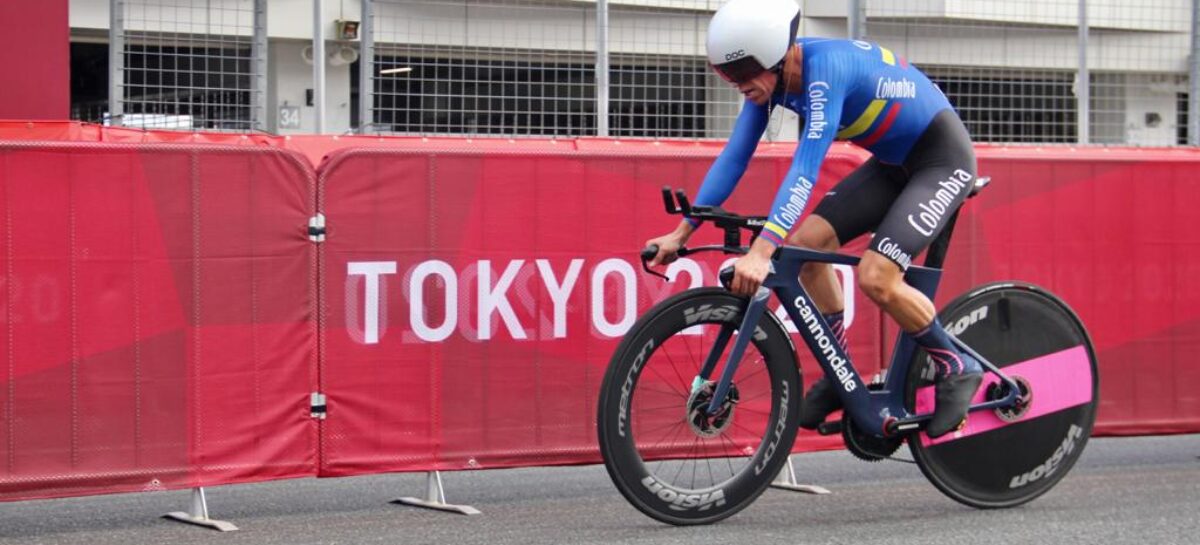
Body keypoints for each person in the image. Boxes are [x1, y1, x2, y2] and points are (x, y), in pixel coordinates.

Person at [644, 0, 982, 438]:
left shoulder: (826, 72)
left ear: (777, 54)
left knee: (877, 276)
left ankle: (957, 362)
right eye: (727, 74)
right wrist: (681, 231)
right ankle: (841, 378)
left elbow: (805, 169)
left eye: (745, 70)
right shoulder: (772, 84)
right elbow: (734, 158)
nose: (738, 83)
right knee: (807, 248)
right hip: (892, 165)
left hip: (941, 161)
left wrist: (762, 251)